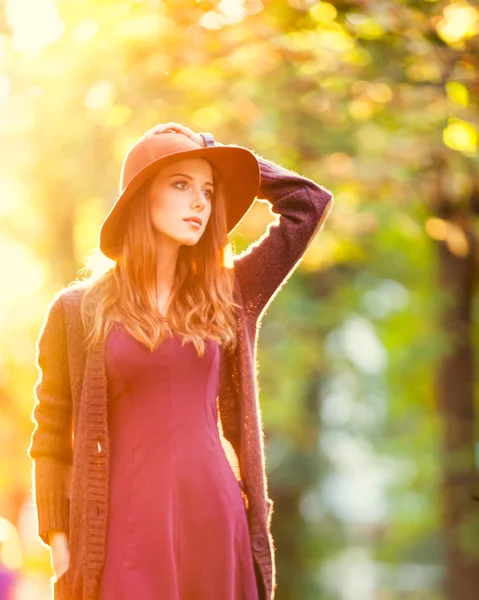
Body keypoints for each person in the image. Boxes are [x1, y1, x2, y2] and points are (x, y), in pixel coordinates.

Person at [27, 122, 334, 600]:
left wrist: (220, 153)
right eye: (180, 184)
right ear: (140, 197)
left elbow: (308, 204)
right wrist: (62, 549)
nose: (200, 202)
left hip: (214, 518)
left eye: (208, 191)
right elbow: (50, 439)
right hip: (122, 533)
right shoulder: (77, 310)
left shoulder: (227, 293)